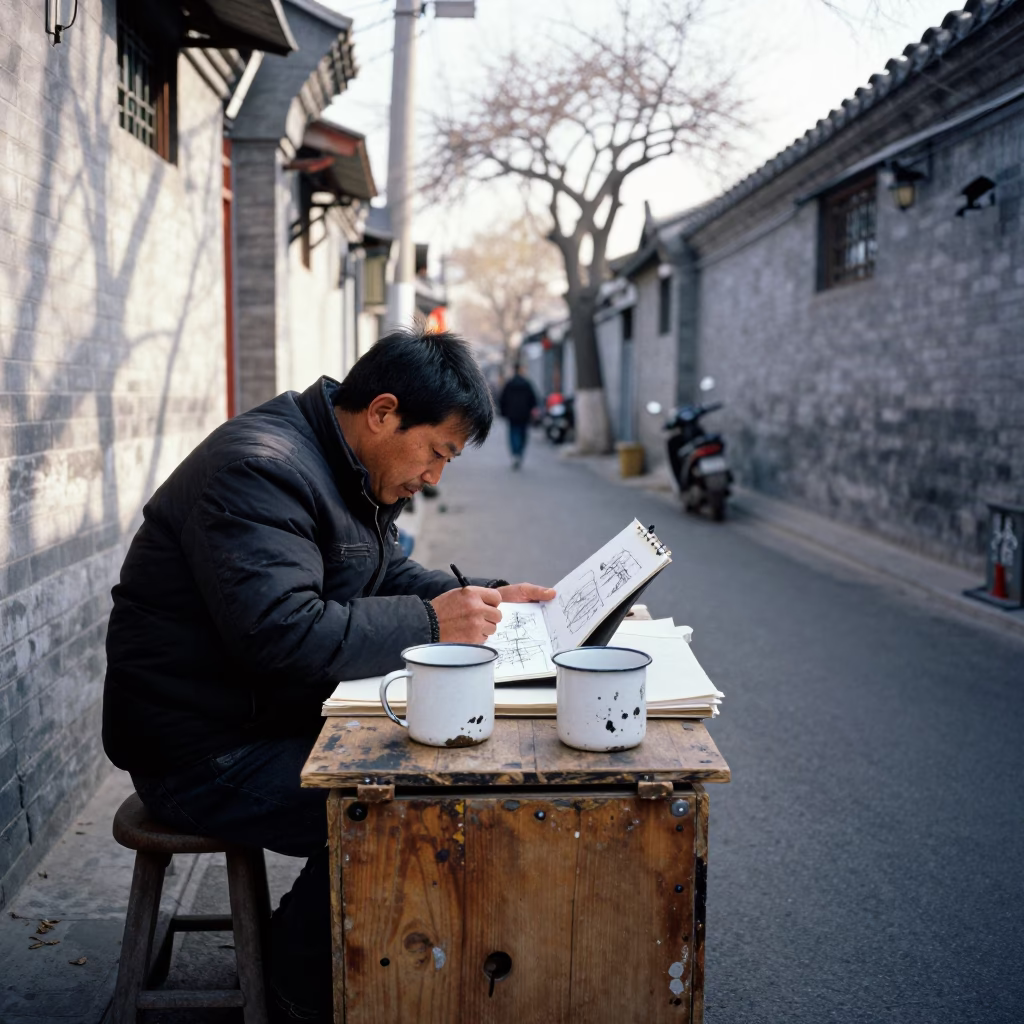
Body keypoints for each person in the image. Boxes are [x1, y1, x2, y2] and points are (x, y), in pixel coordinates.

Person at [102, 328, 554, 1022]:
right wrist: (433, 622)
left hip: (263, 718)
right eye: (437, 453)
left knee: (444, 771)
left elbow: (383, 573)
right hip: (199, 751)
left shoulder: (341, 465)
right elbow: (280, 634)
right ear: (383, 412)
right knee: (407, 809)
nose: (435, 477)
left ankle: (327, 964)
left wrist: (485, 598)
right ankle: (296, 989)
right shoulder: (259, 470)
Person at [498, 363, 539, 469]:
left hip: (512, 414)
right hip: (524, 414)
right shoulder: (527, 384)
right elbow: (534, 399)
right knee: (523, 434)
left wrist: (503, 412)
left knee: (513, 434)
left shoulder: (509, 384)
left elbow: (502, 399)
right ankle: (519, 452)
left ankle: (515, 453)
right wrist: (532, 410)